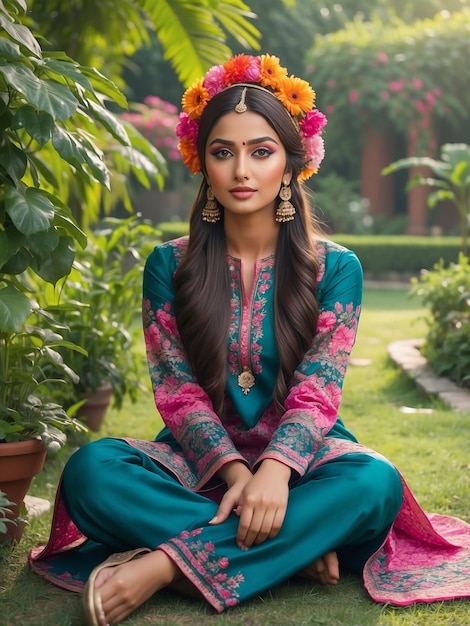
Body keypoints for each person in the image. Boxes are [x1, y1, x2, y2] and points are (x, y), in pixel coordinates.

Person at [30, 54, 470, 625]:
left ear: (291, 162)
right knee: (93, 470)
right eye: (223, 151)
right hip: (199, 467)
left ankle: (166, 565)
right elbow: (177, 390)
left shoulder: (334, 268)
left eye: (260, 151)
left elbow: (319, 390)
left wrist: (275, 472)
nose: (242, 169)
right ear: (203, 163)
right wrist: (240, 475)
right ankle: (295, 548)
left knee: (373, 484)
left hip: (306, 467)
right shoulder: (170, 264)